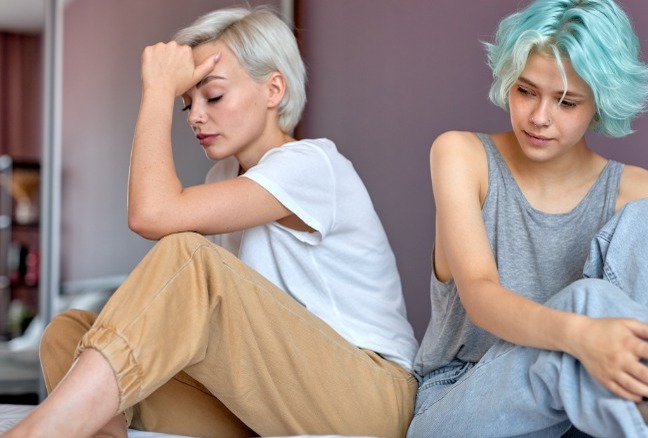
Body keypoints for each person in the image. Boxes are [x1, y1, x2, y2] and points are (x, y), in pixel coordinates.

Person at [5, 6, 418, 438]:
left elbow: (152, 214)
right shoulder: (222, 179)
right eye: (187, 102)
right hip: (271, 401)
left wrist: (159, 92)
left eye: (213, 96)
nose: (194, 116)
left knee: (189, 256)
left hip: (370, 397)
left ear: (274, 88)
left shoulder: (311, 164)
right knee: (68, 333)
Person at [407, 0, 648, 437]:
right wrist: (582, 335)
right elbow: (480, 293)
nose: (539, 117)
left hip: (595, 416)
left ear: (599, 103)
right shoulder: (461, 155)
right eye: (525, 91)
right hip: (466, 400)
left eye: (566, 102)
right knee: (586, 303)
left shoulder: (638, 188)